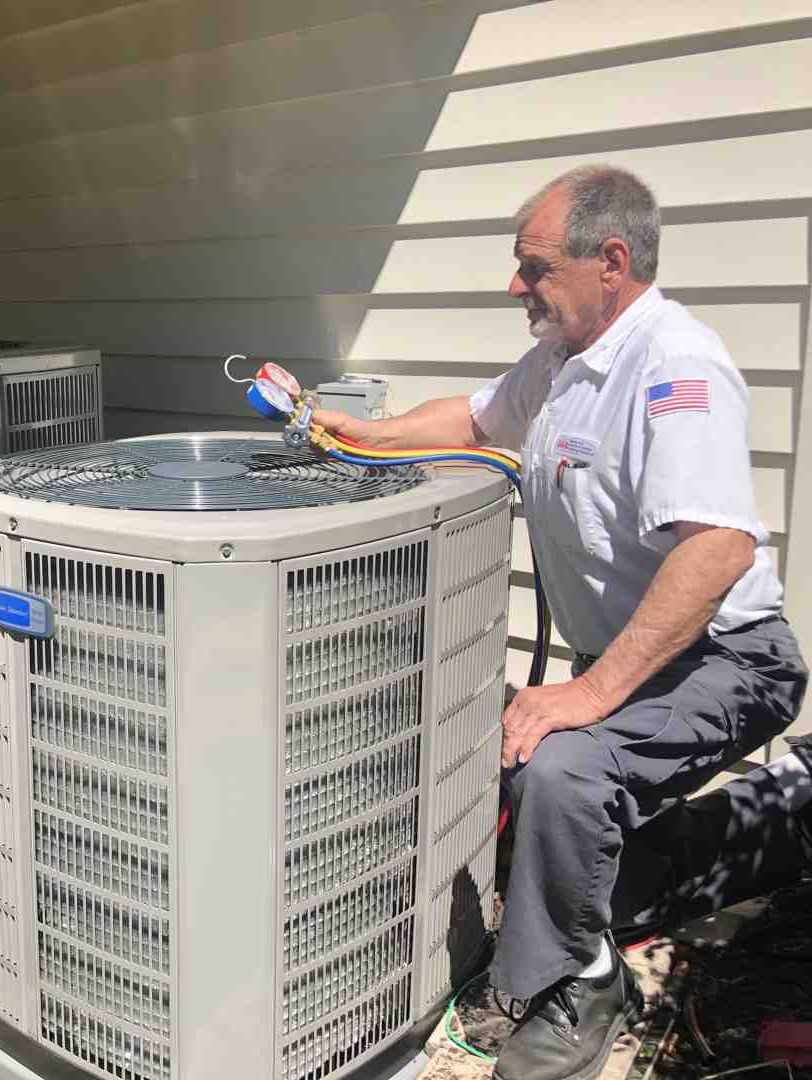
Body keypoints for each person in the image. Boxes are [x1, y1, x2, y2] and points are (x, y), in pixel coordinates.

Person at [313, 164, 811, 1080]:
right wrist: (360, 433)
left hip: (729, 659)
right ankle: (787, 814)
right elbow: (472, 418)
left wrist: (586, 694)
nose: (517, 286)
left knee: (563, 771)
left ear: (610, 262)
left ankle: (579, 988)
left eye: (535, 266)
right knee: (587, 856)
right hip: (645, 659)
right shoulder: (561, 362)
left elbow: (716, 551)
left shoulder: (674, 367)